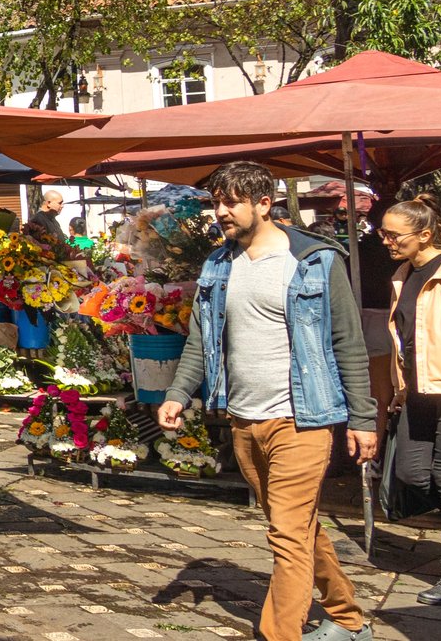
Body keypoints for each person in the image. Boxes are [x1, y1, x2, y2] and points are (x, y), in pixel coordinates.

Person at [159, 161, 375, 641]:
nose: (221, 211)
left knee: (286, 534)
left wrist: (364, 419)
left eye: (231, 201)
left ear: (264, 203)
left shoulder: (316, 259)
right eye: (217, 201)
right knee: (295, 526)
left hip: (302, 418)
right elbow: (201, 340)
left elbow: (349, 341)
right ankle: (347, 618)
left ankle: (279, 634)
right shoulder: (219, 263)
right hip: (242, 420)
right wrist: (177, 393)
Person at [378, 193, 441, 605]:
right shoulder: (403, 274)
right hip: (417, 393)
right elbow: (407, 339)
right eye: (382, 232)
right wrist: (400, 390)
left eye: (393, 235)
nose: (385, 240)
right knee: (411, 474)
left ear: (424, 234)